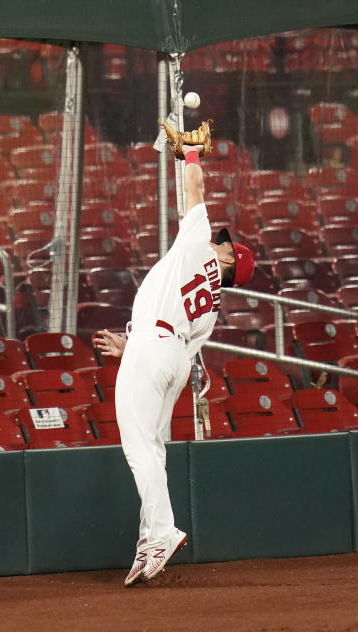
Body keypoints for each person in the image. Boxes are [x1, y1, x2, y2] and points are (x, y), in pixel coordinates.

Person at [92, 143, 255, 586]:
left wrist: (191, 154)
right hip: (171, 354)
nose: (221, 242)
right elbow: (177, 348)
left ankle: (163, 532)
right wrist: (136, 346)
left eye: (227, 246)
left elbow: (195, 190)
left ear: (226, 261)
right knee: (154, 449)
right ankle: (149, 539)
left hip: (155, 347)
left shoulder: (198, 247)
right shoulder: (213, 307)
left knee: (138, 448)